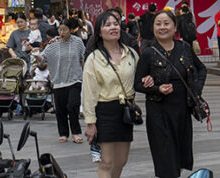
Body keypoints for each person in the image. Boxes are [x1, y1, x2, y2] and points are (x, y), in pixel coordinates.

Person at [135, 10, 207, 178]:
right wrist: (156, 88)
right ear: (153, 28)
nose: (162, 27)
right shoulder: (148, 53)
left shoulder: (184, 48)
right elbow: (137, 84)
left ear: (175, 27)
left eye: (166, 23)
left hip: (182, 112)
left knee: (180, 157)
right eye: (158, 24)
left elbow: (201, 69)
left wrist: (195, 91)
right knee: (165, 159)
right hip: (159, 114)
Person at [83, 11, 139, 178]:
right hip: (104, 111)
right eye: (107, 25)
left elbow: (141, 78)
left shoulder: (131, 54)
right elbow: (88, 92)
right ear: (99, 32)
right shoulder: (94, 58)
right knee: (106, 162)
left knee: (121, 160)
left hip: (126, 112)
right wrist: (90, 123)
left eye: (115, 24)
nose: (113, 27)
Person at [42, 17, 86, 144]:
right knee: (60, 110)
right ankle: (63, 133)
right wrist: (36, 55)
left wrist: (85, 75)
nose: (62, 32)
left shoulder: (78, 42)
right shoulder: (53, 43)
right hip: (58, 80)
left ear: (71, 30)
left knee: (73, 106)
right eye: (60, 30)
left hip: (75, 79)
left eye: (65, 30)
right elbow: (43, 58)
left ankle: (76, 133)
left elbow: (82, 59)